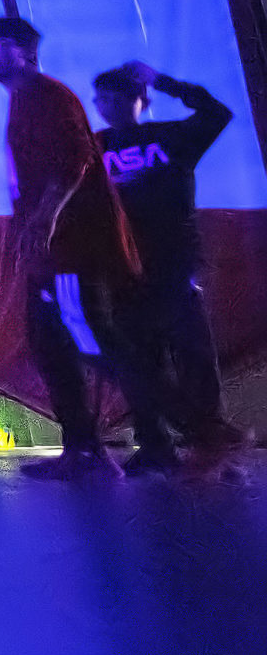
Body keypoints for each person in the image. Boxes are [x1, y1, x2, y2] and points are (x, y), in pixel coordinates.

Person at [0, 18, 175, 478]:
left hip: (69, 250)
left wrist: (45, 220)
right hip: (49, 252)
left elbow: (74, 161)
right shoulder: (24, 99)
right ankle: (85, 448)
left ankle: (189, 430)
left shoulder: (45, 94)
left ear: (27, 50)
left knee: (95, 344)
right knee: (53, 346)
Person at [91, 60, 247, 464]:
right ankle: (154, 442)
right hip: (123, 268)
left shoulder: (170, 137)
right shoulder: (95, 147)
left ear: (139, 99)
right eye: (100, 99)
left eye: (114, 97)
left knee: (193, 352)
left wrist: (162, 80)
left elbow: (217, 114)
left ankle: (207, 433)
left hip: (175, 262)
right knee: (140, 359)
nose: (105, 105)